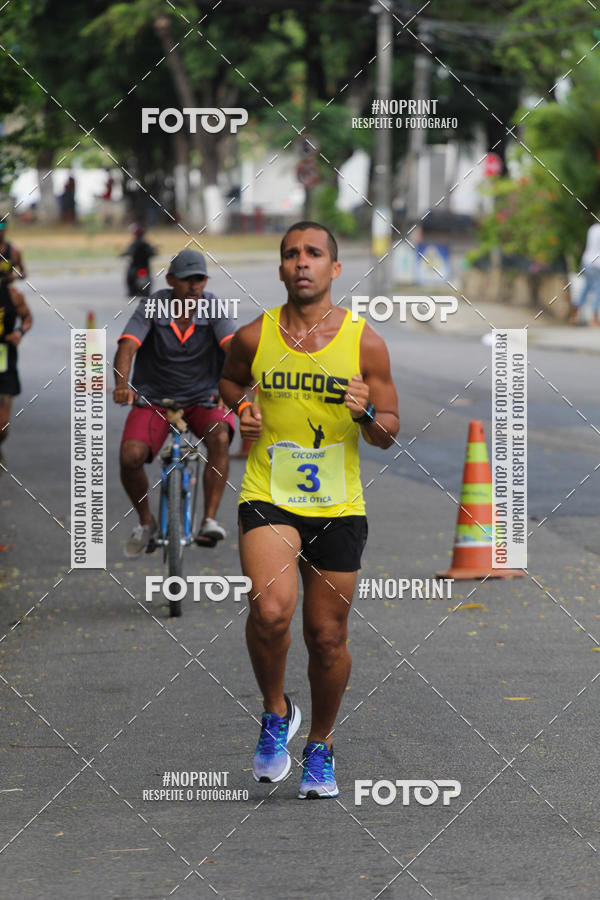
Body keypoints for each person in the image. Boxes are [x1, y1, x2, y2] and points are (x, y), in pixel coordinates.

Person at [219, 222, 399, 799]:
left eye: (314, 254)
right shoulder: (254, 336)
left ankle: (319, 745)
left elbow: (389, 433)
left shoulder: (364, 342)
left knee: (326, 636)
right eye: (291, 254)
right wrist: (241, 406)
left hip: (338, 507)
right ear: (279, 269)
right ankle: (276, 712)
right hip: (268, 494)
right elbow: (227, 382)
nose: (302, 262)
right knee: (271, 612)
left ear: (334, 269)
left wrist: (369, 414)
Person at [113, 248, 235, 556]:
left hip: (201, 399)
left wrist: (232, 386)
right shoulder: (151, 306)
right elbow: (127, 347)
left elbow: (234, 349)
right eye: (186, 280)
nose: (193, 286)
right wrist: (121, 385)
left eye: (199, 279)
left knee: (220, 437)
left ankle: (208, 520)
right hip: (154, 400)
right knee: (130, 456)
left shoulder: (213, 308)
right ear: (170, 280)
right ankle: (146, 522)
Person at [0, 278, 33, 467]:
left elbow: (28, 318)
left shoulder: (12, 294)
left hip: (5, 362)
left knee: (2, 428)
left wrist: (19, 332)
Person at [571, 217, 600, 325]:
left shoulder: (592, 228)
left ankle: (574, 313)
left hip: (587, 260)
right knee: (598, 289)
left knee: (586, 287)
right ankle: (594, 319)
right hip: (597, 264)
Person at [122, 226, 156, 296]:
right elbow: (153, 253)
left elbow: (152, 252)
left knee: (130, 276)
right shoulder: (145, 244)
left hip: (139, 266)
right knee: (130, 276)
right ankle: (133, 291)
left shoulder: (137, 244)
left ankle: (132, 291)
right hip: (141, 266)